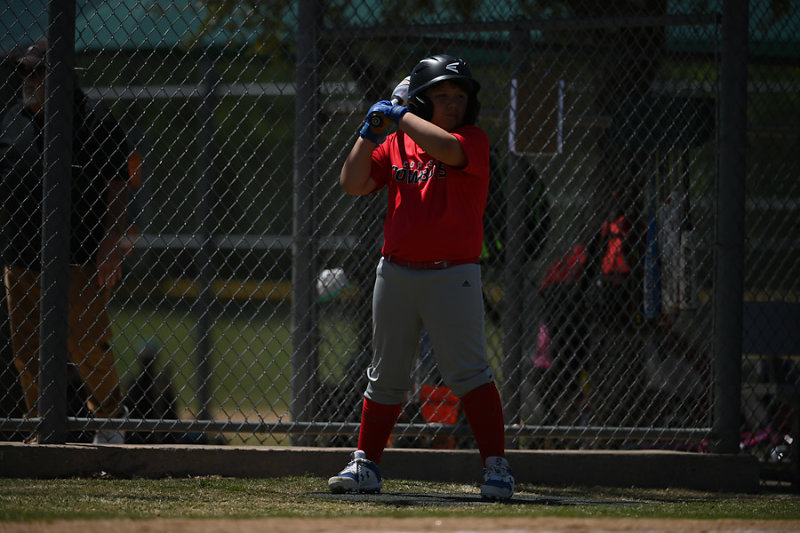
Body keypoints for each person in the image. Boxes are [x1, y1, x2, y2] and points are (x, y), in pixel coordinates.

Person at [328, 54, 514, 500]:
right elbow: (352, 182)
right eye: (441, 95)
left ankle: (496, 467)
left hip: (453, 275)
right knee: (386, 375)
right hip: (396, 273)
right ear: (422, 101)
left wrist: (401, 113)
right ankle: (366, 464)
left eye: (459, 96)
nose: (452, 103)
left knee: (469, 373)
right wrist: (370, 132)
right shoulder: (397, 142)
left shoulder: (472, 139)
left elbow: (445, 149)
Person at [0, 38, 130, 444]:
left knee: (87, 345)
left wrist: (112, 240)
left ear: (61, 76)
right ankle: (41, 426)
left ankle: (110, 420)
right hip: (21, 255)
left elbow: (119, 182)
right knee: (27, 351)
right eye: (24, 71)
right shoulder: (13, 119)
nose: (28, 79)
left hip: (79, 255)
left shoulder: (93, 117)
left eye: (37, 71)